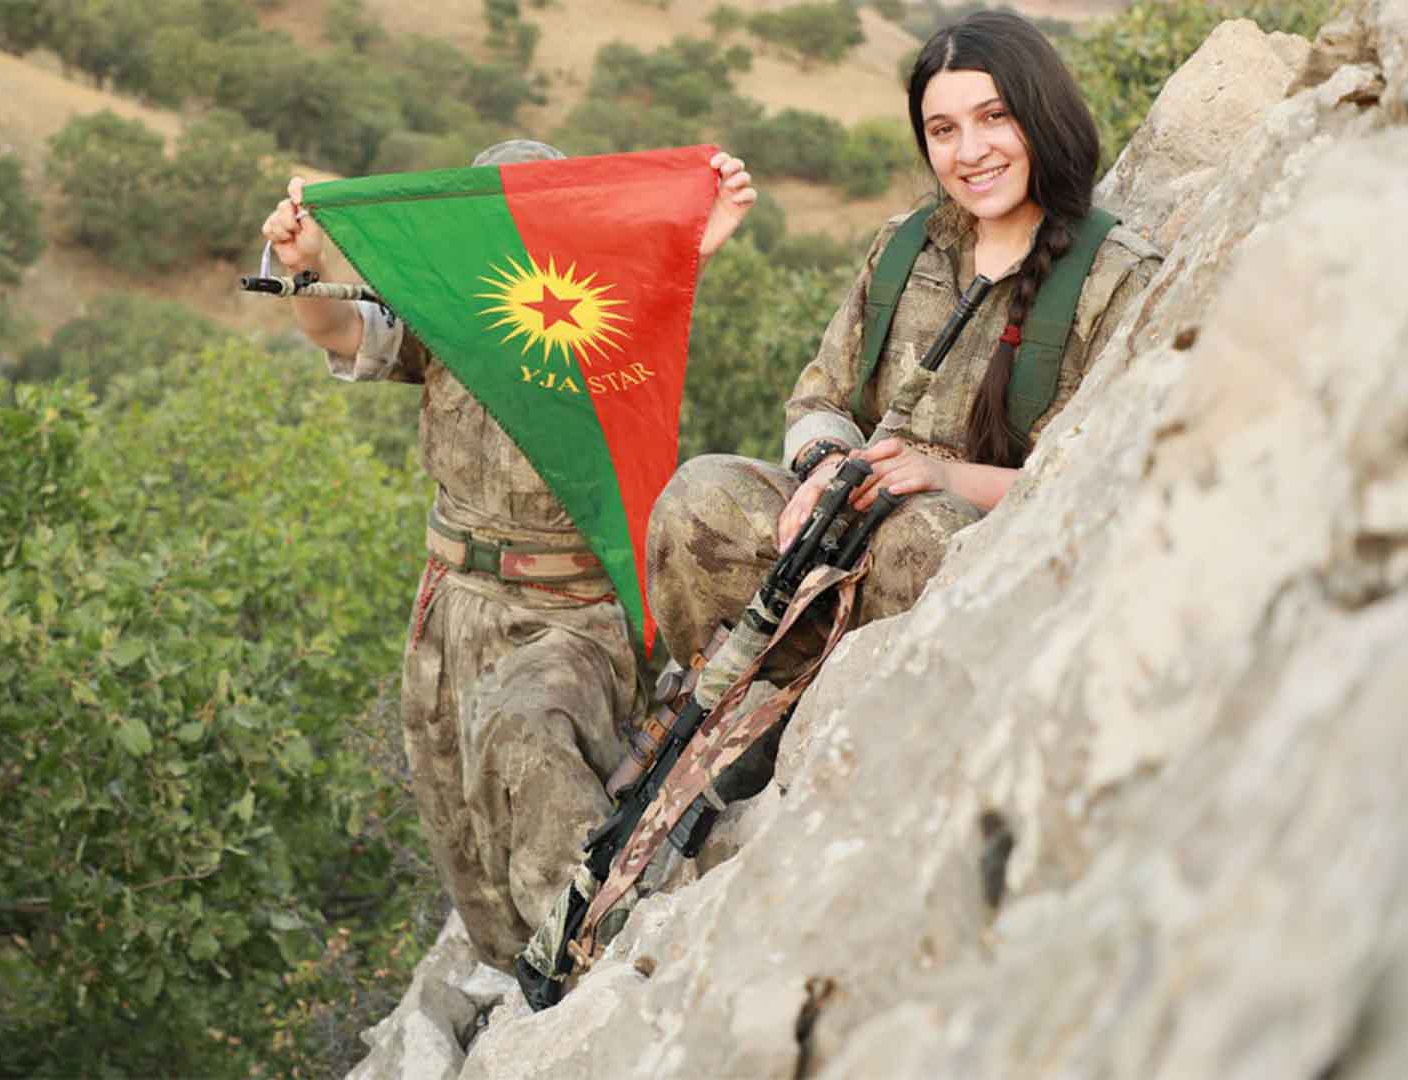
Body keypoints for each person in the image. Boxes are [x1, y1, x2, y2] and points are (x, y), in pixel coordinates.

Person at [258, 140, 755, 969]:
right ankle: (527, 981)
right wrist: (302, 266)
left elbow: (654, 301)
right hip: (455, 610)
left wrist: (695, 238)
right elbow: (342, 332)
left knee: (537, 749)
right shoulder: (450, 313)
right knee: (468, 837)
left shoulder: (605, 311)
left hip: (573, 613)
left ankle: (602, 964)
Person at [645, 11, 1161, 722]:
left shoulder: (1115, 277)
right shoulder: (905, 246)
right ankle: (742, 706)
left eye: (994, 117)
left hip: (983, 576)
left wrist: (946, 478)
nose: (970, 151)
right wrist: (826, 466)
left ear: (1043, 116)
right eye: (943, 130)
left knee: (924, 536)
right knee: (698, 496)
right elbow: (819, 398)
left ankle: (859, 729)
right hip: (846, 544)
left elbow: (1109, 479)